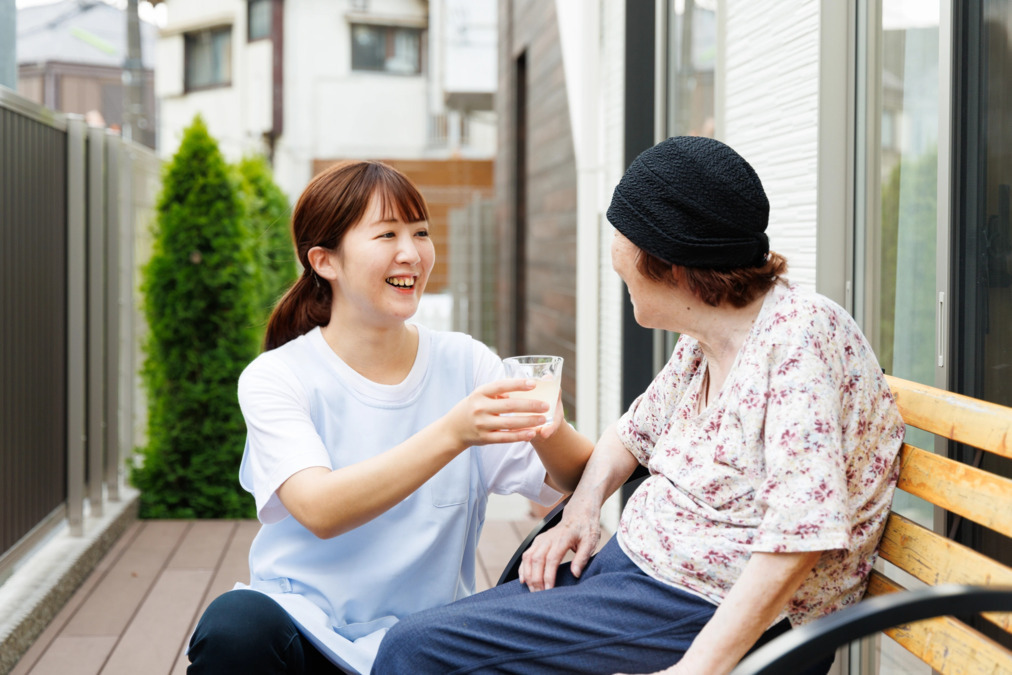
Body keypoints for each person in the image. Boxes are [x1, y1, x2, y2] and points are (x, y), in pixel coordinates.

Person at [371, 136, 906, 675]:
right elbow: (631, 435)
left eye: (623, 234)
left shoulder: (796, 340)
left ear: (670, 264)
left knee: (414, 651)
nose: (614, 252)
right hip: (640, 574)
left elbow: (799, 537)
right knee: (438, 632)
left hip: (704, 605)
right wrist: (581, 510)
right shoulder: (709, 336)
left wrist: (696, 670)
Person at [185, 160, 593, 675]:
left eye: (420, 232)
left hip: (424, 644)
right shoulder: (278, 377)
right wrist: (453, 433)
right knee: (235, 626)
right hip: (304, 632)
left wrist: (547, 427)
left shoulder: (466, 363)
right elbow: (320, 508)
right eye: (387, 234)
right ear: (324, 261)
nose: (412, 253)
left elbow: (575, 479)